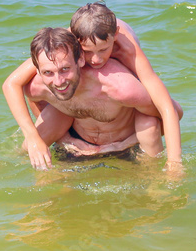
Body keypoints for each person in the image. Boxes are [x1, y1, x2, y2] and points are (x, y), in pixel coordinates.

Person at [2, 3, 183, 171]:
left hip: (126, 103)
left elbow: (169, 108)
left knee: (147, 119)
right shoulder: (62, 47)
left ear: (115, 36)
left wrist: (174, 162)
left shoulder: (127, 50)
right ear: (75, 43)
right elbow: (15, 83)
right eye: (87, 52)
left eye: (103, 50)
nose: (96, 60)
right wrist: (41, 137)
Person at [20, 27, 174, 162]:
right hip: (78, 143)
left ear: (80, 60)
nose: (58, 81)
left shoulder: (121, 87)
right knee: (29, 146)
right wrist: (65, 139)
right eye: (48, 72)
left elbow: (168, 114)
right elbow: (30, 97)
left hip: (126, 145)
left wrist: (125, 144)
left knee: (149, 125)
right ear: (39, 70)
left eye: (65, 69)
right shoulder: (38, 86)